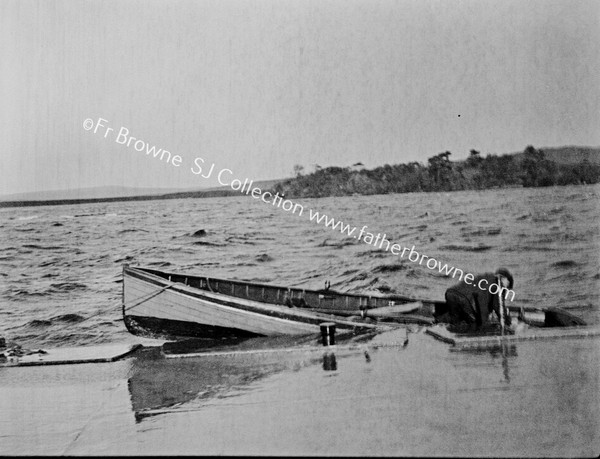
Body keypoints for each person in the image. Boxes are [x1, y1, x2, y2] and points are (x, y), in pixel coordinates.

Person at [441, 267, 514, 331]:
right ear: (504, 278)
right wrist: (507, 322)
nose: (506, 289)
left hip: (450, 293)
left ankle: (438, 321)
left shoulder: (486, 278)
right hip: (463, 298)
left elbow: (490, 300)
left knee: (456, 319)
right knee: (474, 322)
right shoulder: (498, 283)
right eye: (508, 284)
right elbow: (496, 305)